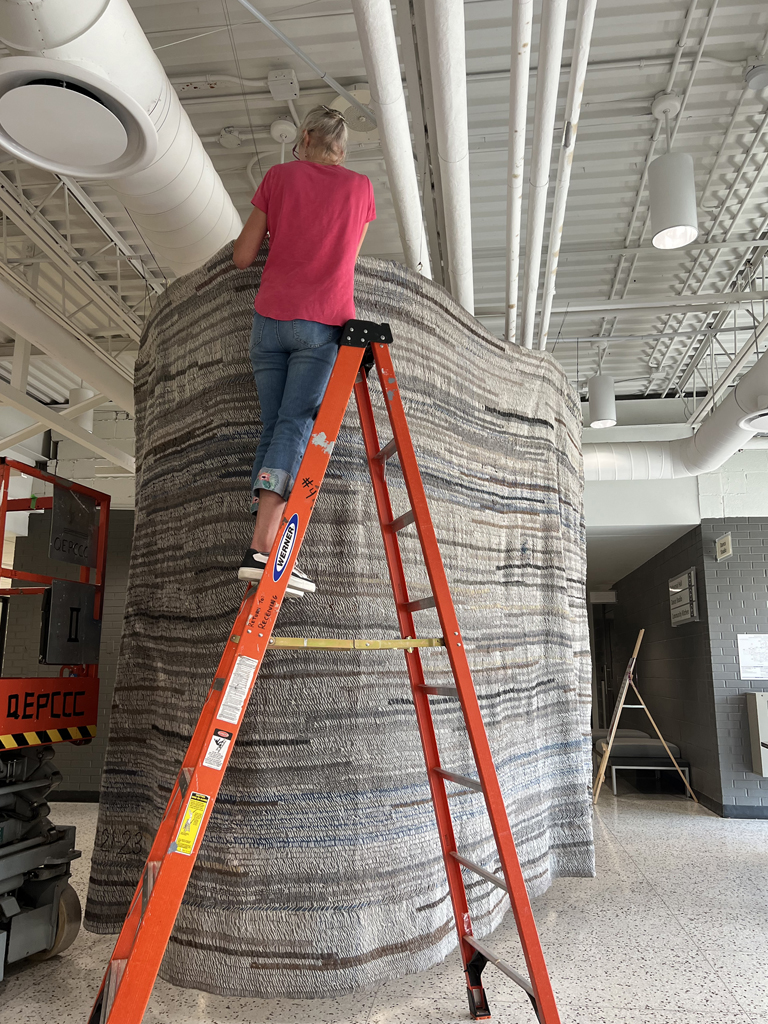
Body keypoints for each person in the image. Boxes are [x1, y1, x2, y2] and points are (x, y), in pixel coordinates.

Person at [232, 105, 376, 596]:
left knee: (276, 428)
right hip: (322, 323)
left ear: (307, 135)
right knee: (294, 428)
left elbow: (242, 256)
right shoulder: (360, 189)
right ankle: (264, 552)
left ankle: (264, 546)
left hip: (267, 323)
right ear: (340, 145)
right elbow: (347, 260)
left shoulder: (278, 176)